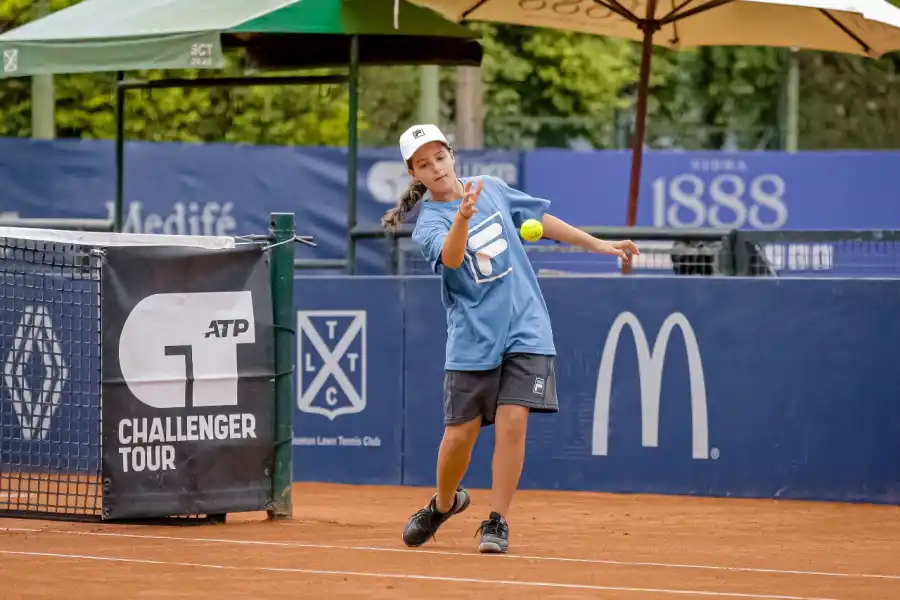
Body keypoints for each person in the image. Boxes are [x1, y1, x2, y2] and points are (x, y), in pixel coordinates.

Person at [381, 124, 639, 554]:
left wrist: (599, 245)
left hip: (527, 326)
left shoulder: (492, 188)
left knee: (514, 421)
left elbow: (540, 220)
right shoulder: (428, 222)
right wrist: (461, 216)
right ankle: (444, 503)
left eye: (440, 157)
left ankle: (496, 521)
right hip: (472, 339)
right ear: (415, 173)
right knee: (459, 437)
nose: (436, 168)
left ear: (451, 155)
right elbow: (451, 257)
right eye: (424, 164)